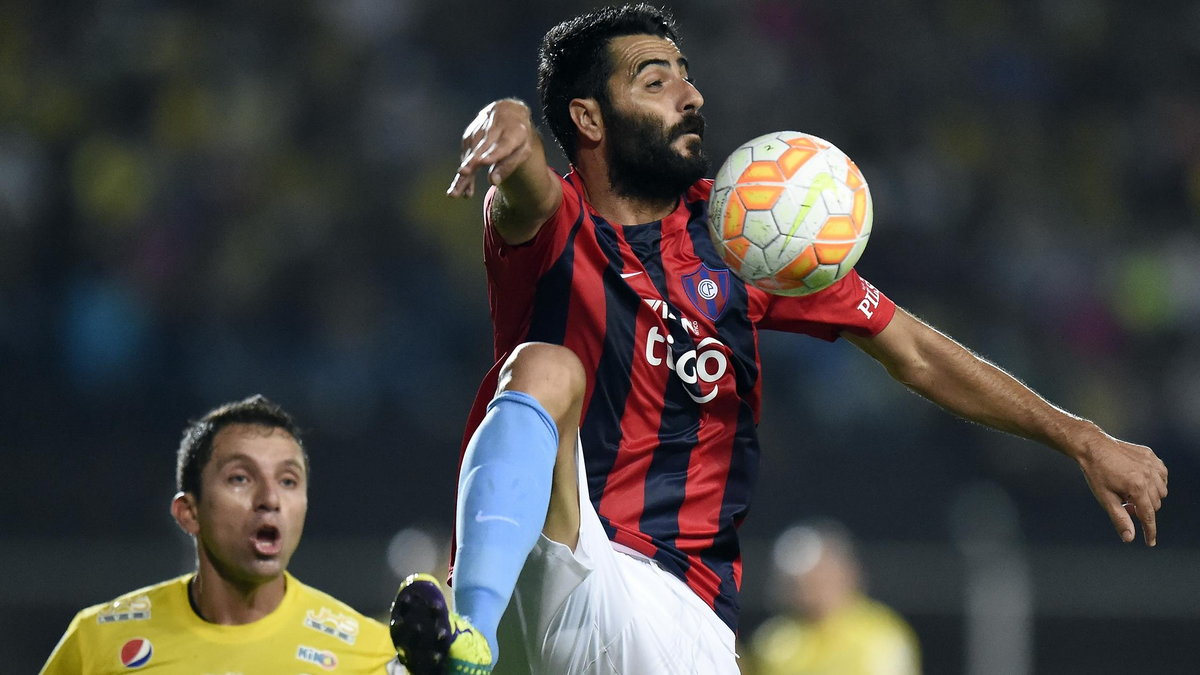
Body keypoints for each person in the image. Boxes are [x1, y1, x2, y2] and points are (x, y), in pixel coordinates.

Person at [387, 4, 1168, 674]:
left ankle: (465, 632)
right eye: (656, 81)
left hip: (666, 610)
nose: (690, 95)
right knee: (543, 368)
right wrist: (510, 122)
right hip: (543, 573)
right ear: (588, 117)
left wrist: (1081, 436)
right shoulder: (552, 224)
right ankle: (468, 634)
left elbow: (917, 351)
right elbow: (519, 179)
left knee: (544, 366)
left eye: (686, 75)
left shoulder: (743, 239)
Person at [41, 395, 404, 674]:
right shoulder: (97, 641)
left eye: (288, 480)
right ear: (189, 513)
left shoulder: (369, 654)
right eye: (240, 478)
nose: (270, 499)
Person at [746, 520, 921, 675]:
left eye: (821, 574)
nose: (811, 587)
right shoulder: (772, 641)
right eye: (800, 581)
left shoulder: (881, 634)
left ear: (846, 571)